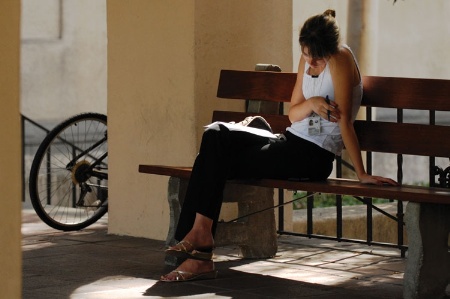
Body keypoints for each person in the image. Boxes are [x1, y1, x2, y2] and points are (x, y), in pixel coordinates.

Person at [160, 9, 398, 282]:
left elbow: (345, 124)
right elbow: (292, 114)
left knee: (212, 159)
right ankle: (200, 242)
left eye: (315, 61)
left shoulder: (341, 61)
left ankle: (199, 245)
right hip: (288, 140)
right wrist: (312, 103)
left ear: (330, 52)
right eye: (306, 57)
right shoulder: (308, 56)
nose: (309, 66)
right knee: (215, 134)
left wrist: (362, 174)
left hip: (313, 155)